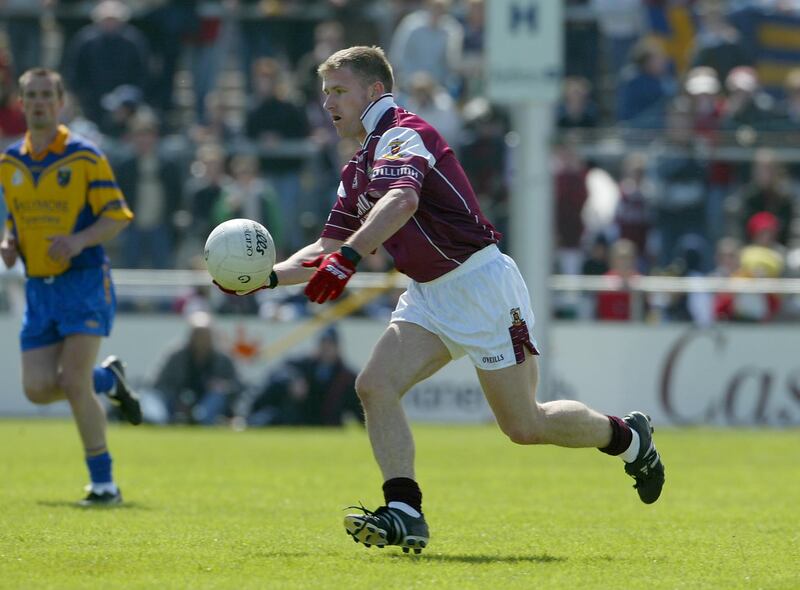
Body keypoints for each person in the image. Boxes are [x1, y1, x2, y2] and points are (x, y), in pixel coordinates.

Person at [214, 46, 665, 553]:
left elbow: (402, 201)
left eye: (339, 91)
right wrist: (265, 279)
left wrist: (353, 256)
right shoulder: (357, 166)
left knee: (524, 425)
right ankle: (405, 510)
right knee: (375, 385)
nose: (329, 104)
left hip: (481, 287)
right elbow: (327, 247)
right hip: (429, 294)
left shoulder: (404, 132)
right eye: (325, 95)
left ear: (374, 91)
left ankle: (628, 438)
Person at [0, 68, 141, 506]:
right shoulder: (10, 162)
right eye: (32, 95)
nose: (39, 102)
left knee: (73, 379)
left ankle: (104, 485)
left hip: (82, 281)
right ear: (21, 103)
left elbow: (116, 214)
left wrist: (78, 240)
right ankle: (110, 380)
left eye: (47, 95)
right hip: (39, 287)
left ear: (60, 103)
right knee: (38, 389)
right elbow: (16, 214)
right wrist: (9, 240)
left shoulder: (84, 156)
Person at [247, 326, 362, 427]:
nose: (326, 349)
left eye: (330, 344)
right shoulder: (302, 365)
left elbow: (359, 409)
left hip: (328, 424)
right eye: (323, 344)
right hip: (300, 420)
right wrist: (293, 381)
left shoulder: (346, 376)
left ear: (337, 347)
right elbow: (279, 372)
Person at [150, 311, 243, 425]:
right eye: (198, 335)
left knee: (216, 396)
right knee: (155, 411)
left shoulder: (224, 360)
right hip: (177, 403)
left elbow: (238, 386)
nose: (201, 340)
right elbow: (159, 384)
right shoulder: (176, 356)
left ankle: (199, 419)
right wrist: (177, 400)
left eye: (205, 335)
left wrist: (222, 386)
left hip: (210, 404)